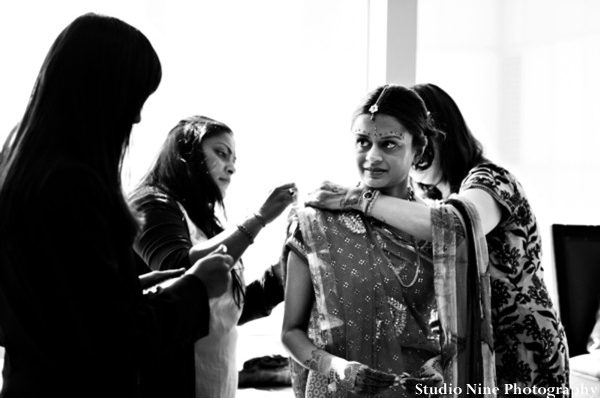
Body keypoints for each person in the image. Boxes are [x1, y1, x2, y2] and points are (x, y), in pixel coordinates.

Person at [0, 13, 233, 398]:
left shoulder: (17, 173)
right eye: (136, 98)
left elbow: (62, 304)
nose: (138, 116)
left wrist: (132, 287)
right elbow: (115, 340)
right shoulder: (73, 185)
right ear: (103, 95)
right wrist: (195, 287)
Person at [308, 83, 570, 395]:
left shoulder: (491, 181)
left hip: (522, 346)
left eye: (399, 144)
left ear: (433, 139)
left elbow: (457, 227)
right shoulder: (432, 202)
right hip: (476, 354)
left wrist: (356, 198)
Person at [282, 84, 495, 398]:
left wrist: (443, 365)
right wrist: (337, 368)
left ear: (418, 151)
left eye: (389, 144)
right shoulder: (318, 221)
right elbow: (291, 332)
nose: (372, 157)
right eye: (363, 142)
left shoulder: (436, 229)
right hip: (339, 389)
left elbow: (457, 331)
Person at [129, 115, 296, 398]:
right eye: (221, 153)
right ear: (187, 154)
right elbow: (179, 270)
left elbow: (228, 309)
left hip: (215, 383)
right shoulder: (149, 204)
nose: (231, 167)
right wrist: (259, 218)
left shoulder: (208, 226)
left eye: (233, 158)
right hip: (168, 382)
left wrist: (284, 271)